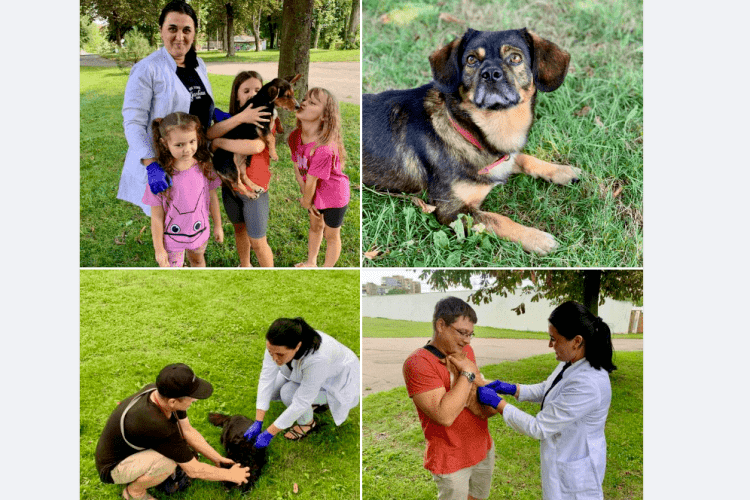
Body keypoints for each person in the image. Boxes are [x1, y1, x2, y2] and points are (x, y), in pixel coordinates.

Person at [117, 0, 269, 215]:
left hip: (198, 157)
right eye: (172, 29)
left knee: (196, 221)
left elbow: (199, 101)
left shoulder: (199, 65)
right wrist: (151, 164)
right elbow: (133, 122)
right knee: (172, 227)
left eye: (186, 30)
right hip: (167, 162)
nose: (180, 37)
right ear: (161, 30)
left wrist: (216, 114)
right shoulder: (147, 70)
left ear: (194, 33)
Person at [477, 301, 617, 500]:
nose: (550, 345)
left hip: (578, 473)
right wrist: (511, 388)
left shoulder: (589, 384)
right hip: (562, 457)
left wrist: (499, 404)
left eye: (554, 339)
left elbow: (538, 428)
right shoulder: (571, 362)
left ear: (576, 341)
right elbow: (547, 388)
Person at [95, 363, 250, 500]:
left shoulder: (160, 393)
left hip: (132, 449)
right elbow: (194, 470)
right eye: (192, 397)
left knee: (180, 452)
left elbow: (187, 431)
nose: (195, 400)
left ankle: (145, 474)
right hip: (112, 468)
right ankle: (134, 492)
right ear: (173, 401)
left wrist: (217, 459)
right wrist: (231, 475)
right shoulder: (156, 424)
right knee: (168, 462)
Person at [402, 297, 495, 500]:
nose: (467, 341)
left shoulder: (465, 350)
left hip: (482, 446)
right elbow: (444, 415)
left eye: (471, 334)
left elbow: (479, 393)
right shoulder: (418, 363)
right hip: (451, 457)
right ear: (441, 325)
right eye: (462, 333)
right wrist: (468, 374)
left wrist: (481, 391)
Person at [242, 317, 360, 448]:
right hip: (307, 376)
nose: (274, 358)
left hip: (334, 383)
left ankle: (307, 423)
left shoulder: (318, 358)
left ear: (297, 346)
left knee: (288, 394)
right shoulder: (275, 345)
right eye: (270, 353)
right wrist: (258, 420)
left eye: (280, 355)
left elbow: (301, 401)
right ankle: (316, 403)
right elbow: (266, 378)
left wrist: (269, 433)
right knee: (273, 392)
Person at [207, 71, 275, 267]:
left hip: (255, 189)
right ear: (236, 95)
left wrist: (220, 142)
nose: (252, 94)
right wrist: (240, 118)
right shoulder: (231, 119)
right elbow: (210, 135)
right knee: (239, 229)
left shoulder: (265, 116)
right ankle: (245, 266)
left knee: (258, 241)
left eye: (257, 89)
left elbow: (257, 146)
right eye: (246, 90)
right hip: (230, 188)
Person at [142, 112, 223, 267]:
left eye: (192, 141)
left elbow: (212, 198)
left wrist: (218, 226)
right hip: (172, 241)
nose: (187, 149)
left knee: (198, 261)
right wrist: (159, 249)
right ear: (165, 144)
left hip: (199, 234)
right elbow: (157, 217)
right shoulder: (160, 179)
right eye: (179, 145)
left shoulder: (205, 168)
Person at [288, 88, 350, 267]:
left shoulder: (323, 148)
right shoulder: (295, 136)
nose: (304, 102)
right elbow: (298, 168)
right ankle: (311, 263)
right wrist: (307, 196)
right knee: (315, 227)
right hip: (313, 192)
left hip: (334, 195)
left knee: (331, 235)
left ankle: (326, 270)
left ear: (324, 116)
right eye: (305, 99)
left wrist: (307, 201)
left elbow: (312, 179)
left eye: (313, 102)